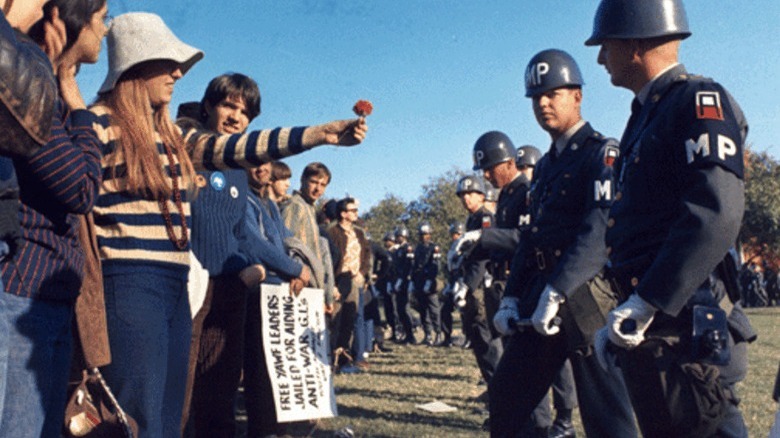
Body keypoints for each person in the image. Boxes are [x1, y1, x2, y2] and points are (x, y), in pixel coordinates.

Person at [89, 13, 366, 436]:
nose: (179, 73)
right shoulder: (118, 126)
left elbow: (244, 150)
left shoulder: (175, 139)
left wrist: (319, 134)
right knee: (144, 407)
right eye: (169, 63)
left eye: (245, 110)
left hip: (179, 286)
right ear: (136, 66)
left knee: (177, 404)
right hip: (138, 282)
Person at [586, 0, 756, 436]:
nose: (601, 57)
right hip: (661, 328)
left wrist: (649, 301)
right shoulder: (648, 113)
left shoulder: (696, 101)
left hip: (690, 328)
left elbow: (715, 212)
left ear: (636, 42)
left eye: (606, 44)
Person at [490, 49, 636, 438]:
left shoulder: (600, 152)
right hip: (540, 293)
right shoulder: (547, 166)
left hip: (585, 293)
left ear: (577, 95)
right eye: (536, 97)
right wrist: (511, 295)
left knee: (608, 414)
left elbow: (598, 228)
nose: (542, 103)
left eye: (553, 93)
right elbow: (532, 235)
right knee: (507, 402)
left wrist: (558, 290)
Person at [0, 1, 107, 435]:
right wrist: (77, 103)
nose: (105, 27)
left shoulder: (41, 92)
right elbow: (80, 187)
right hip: (23, 289)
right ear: (63, 18)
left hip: (47, 295)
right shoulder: (30, 95)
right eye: (100, 17)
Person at [452, 175, 503, 384]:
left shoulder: (485, 218)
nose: (466, 199)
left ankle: (498, 389)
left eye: (471, 194)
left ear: (482, 195)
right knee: (477, 338)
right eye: (463, 195)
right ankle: (492, 388)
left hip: (482, 286)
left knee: (486, 338)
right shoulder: (471, 219)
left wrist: (468, 285)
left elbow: (483, 256)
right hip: (473, 284)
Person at [327, 197, 372, 370]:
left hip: (355, 280)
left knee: (352, 318)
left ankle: (350, 356)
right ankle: (330, 356)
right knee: (334, 319)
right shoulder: (332, 232)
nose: (356, 214)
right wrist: (331, 283)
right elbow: (329, 258)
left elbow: (367, 254)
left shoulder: (359, 233)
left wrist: (363, 273)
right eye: (352, 211)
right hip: (339, 280)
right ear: (343, 214)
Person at [411, 222, 442, 345]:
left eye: (426, 234)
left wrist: (430, 280)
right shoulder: (418, 248)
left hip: (429, 281)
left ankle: (438, 333)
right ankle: (427, 334)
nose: (424, 237)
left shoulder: (434, 248)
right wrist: (413, 281)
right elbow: (415, 265)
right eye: (422, 234)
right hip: (419, 281)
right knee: (423, 310)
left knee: (434, 310)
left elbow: (436, 265)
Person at [440, 222, 465, 347]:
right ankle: (447, 337)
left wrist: (460, 282)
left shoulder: (465, 245)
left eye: (456, 234)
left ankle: (469, 338)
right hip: (453, 279)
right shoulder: (452, 247)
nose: (454, 236)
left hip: (462, 280)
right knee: (445, 310)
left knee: (465, 312)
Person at [392, 225, 416, 344]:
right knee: (400, 309)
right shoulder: (398, 250)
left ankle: (411, 334)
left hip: (405, 281)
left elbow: (409, 265)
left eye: (400, 236)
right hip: (399, 281)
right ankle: (406, 334)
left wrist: (405, 279)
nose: (398, 238)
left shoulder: (408, 248)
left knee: (405, 309)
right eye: (397, 236)